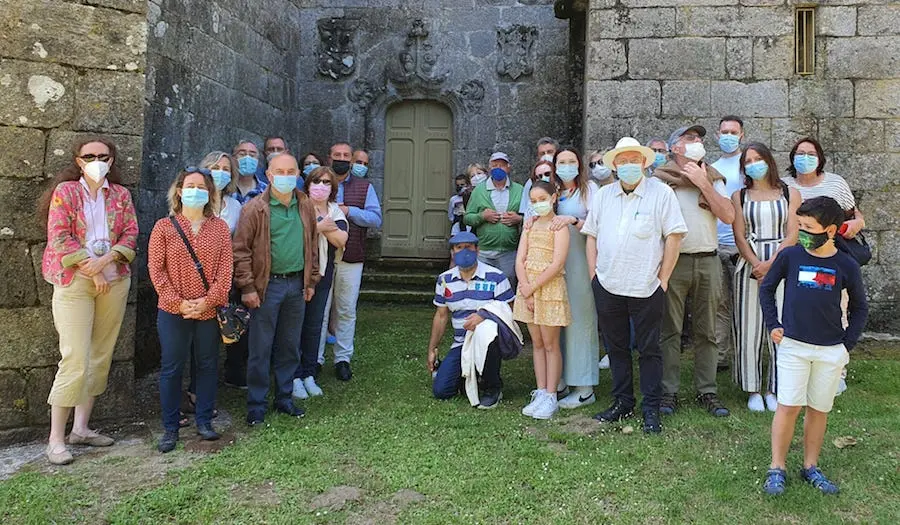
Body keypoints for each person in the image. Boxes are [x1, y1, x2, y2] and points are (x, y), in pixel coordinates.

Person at [38, 137, 138, 465]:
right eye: (90, 155)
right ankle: (55, 439)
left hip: (115, 279)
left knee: (100, 355)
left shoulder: (121, 195)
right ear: (78, 161)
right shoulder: (66, 193)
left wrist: (107, 259)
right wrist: (91, 267)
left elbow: (130, 233)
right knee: (75, 357)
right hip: (75, 282)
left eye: (103, 156)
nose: (97, 160)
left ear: (112, 160)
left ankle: (81, 428)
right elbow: (60, 236)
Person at [760, 196, 868, 496]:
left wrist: (847, 344)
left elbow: (860, 307)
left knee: (819, 409)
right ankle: (777, 466)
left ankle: (810, 466)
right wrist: (773, 324)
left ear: (830, 230)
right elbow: (767, 289)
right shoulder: (790, 257)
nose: (802, 232)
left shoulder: (846, 264)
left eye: (808, 227)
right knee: (788, 406)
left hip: (831, 350)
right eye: (800, 226)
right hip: (793, 346)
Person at [582, 137, 687, 434]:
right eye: (622, 161)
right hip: (608, 283)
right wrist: (594, 275)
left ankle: (651, 408)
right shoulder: (603, 196)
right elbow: (591, 235)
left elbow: (674, 237)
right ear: (614, 165)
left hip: (647, 286)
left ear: (644, 162)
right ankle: (622, 401)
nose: (628, 165)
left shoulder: (662, 194)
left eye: (633, 160)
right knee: (616, 347)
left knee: (650, 350)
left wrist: (662, 280)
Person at [148, 167, 233, 452]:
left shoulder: (219, 228)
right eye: (190, 185)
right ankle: (170, 428)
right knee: (172, 367)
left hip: (208, 310)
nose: (196, 191)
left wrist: (208, 301)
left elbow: (225, 270)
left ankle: (205, 420)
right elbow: (156, 271)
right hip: (173, 311)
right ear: (180, 191)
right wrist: (179, 302)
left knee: (208, 365)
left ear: (210, 193)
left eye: (202, 186)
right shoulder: (164, 227)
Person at [654, 125, 735, 418]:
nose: (697, 142)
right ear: (675, 147)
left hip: (708, 259)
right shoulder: (661, 180)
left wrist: (703, 184)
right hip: (673, 263)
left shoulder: (712, 176)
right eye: (690, 138)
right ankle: (669, 391)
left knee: (707, 330)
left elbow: (727, 215)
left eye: (699, 138)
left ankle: (707, 391)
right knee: (670, 330)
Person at [233, 154, 320, 425]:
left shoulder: (304, 205)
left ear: (297, 175)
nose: (285, 176)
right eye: (279, 171)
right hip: (266, 286)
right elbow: (241, 251)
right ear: (268, 175)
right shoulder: (255, 208)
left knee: (289, 345)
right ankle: (257, 404)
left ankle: (284, 397)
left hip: (296, 284)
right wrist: (247, 287)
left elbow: (313, 245)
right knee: (261, 347)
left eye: (290, 171)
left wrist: (311, 281)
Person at [782, 137, 865, 396]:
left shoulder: (835, 183)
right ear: (792, 158)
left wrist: (857, 224)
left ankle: (837, 370)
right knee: (797, 312)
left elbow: (855, 214)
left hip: (831, 260)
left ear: (820, 158)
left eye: (810, 153)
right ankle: (798, 369)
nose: (804, 157)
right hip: (796, 260)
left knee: (835, 311)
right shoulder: (784, 186)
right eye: (799, 153)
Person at [731, 143, 800, 412]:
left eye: (758, 158)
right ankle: (752, 388)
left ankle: (776, 387)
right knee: (748, 327)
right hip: (750, 265)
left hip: (783, 264)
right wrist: (756, 264)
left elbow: (793, 232)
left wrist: (771, 265)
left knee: (781, 325)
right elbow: (739, 234)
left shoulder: (789, 193)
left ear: (769, 161)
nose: (753, 164)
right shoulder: (740, 196)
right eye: (748, 161)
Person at [428, 232, 516, 408]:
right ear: (452, 252)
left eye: (469, 247)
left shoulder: (496, 277)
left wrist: (483, 316)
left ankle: (493, 388)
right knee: (441, 391)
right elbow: (441, 315)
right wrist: (432, 349)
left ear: (477, 250)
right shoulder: (445, 280)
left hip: (490, 340)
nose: (464, 251)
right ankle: (467, 376)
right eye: (459, 248)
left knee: (488, 338)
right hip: (461, 343)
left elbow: (509, 311)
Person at [548, 147, 602, 408]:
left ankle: (584, 386)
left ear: (579, 165)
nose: (566, 166)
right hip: (554, 266)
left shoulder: (590, 190)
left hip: (581, 262)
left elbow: (600, 225)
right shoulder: (552, 192)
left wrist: (574, 221)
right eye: (561, 162)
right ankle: (559, 380)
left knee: (581, 321)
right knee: (557, 321)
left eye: (571, 161)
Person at [514, 181, 571, 420]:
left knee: (550, 344)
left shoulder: (560, 228)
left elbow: (557, 263)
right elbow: (520, 259)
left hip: (548, 289)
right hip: (527, 288)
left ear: (554, 197)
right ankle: (540, 390)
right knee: (536, 343)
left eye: (542, 199)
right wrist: (525, 289)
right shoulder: (529, 226)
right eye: (534, 201)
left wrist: (533, 289)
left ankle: (551, 394)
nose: (538, 204)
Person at [328, 142, 382, 381]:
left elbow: (375, 218)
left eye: (345, 156)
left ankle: (342, 358)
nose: (341, 158)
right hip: (322, 257)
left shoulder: (364, 186)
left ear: (351, 160)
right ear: (329, 157)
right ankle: (315, 358)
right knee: (320, 311)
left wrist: (350, 211)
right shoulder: (320, 183)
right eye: (336, 155)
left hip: (352, 255)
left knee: (347, 309)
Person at [293, 167, 348, 398]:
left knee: (314, 325)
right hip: (296, 272)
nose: (321, 186)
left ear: (332, 188)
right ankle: (293, 376)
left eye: (326, 182)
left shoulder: (335, 210)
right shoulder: (298, 206)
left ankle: (308, 373)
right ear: (308, 184)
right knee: (293, 325)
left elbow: (341, 238)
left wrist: (316, 229)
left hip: (323, 274)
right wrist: (320, 227)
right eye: (316, 181)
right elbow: (293, 235)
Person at [711, 116, 746, 371]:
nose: (728, 136)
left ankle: (746, 355)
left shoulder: (751, 165)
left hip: (744, 245)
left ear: (742, 135)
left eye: (733, 132)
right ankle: (721, 356)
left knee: (746, 303)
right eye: (724, 131)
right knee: (719, 303)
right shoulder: (712, 168)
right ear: (717, 134)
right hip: (718, 244)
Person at [464, 152, 524, 290]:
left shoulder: (519, 190)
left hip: (509, 252)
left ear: (509, 168)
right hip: (484, 252)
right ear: (490, 169)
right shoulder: (479, 190)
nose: (498, 168)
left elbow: (532, 216)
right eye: (495, 165)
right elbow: (467, 218)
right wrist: (482, 217)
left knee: (507, 288)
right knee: (483, 288)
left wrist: (519, 219)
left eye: (502, 165)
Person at [232, 140, 267, 205]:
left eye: (252, 155)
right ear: (233, 158)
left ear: (257, 161)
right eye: (242, 154)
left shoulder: (265, 191)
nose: (247, 158)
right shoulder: (225, 187)